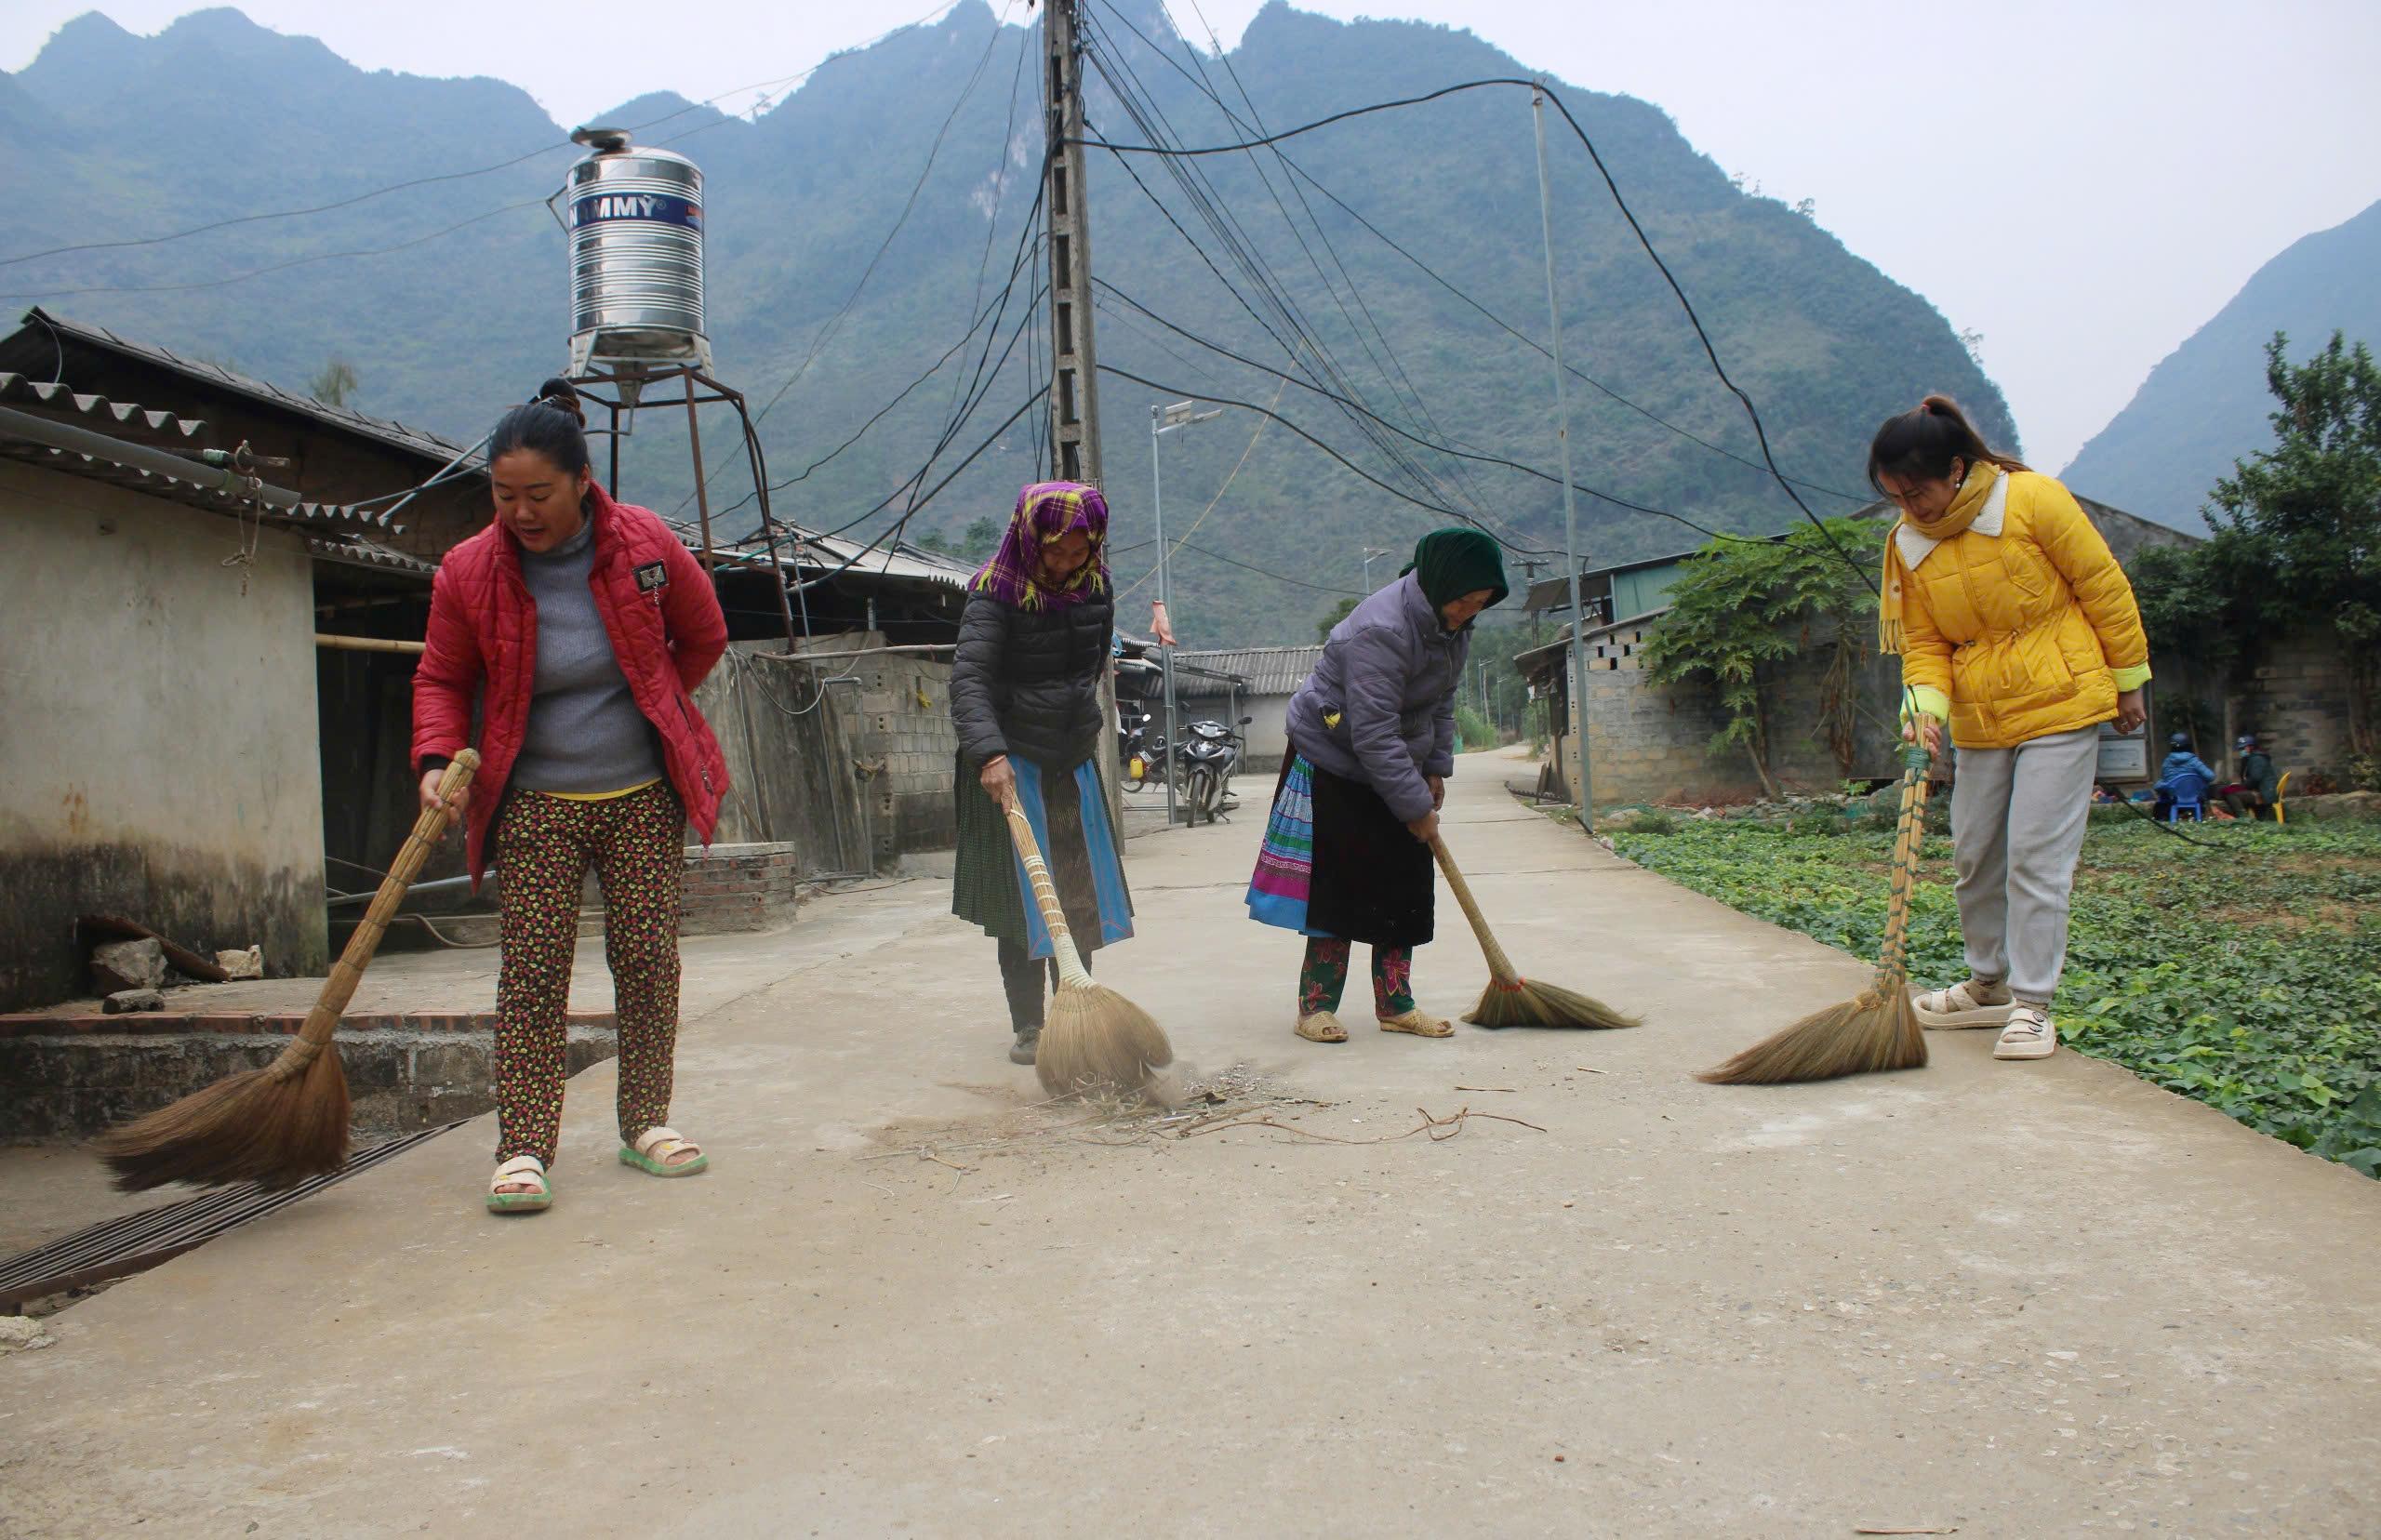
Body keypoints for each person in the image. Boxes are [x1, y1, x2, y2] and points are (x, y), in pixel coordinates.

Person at [413, 379, 729, 1213]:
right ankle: (522, 1148)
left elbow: (703, 635)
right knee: (533, 972)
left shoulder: (646, 544)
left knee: (648, 963)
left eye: (539, 494)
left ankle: (647, 1123)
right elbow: (443, 676)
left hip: (640, 796)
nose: (521, 511)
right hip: (536, 804)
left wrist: (657, 698)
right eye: (504, 494)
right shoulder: (469, 571)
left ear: (583, 480)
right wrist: (436, 759)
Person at [1877, 397, 2151, 1062]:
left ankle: (2033, 1005)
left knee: (2035, 857)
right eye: (1895, 496)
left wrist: (2129, 677)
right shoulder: (1908, 544)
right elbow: (1924, 644)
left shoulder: (2033, 501)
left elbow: (2102, 587)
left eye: (1919, 492)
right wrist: (1925, 712)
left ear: (1957, 469)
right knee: (1973, 854)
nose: (1910, 507)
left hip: (2061, 700)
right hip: (1982, 717)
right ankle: (1987, 985)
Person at [1245, 527, 1508, 1043]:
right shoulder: (1381, 630)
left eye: (1479, 605)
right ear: (1438, 585)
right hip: (1334, 755)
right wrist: (1413, 805)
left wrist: (1434, 771)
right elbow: (1371, 731)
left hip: (1392, 755)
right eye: (1462, 602)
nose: (1467, 614)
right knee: (1339, 887)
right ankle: (1315, 1007)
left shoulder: (1453, 626)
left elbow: (1442, 702)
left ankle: (1396, 1005)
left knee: (1405, 886)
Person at [949, 482, 1135, 1066]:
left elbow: (1091, 666)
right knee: (1022, 900)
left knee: (1076, 893)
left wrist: (1083, 727)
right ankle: (1029, 1026)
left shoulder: (1096, 587)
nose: (1065, 564)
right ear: (1031, 539)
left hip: (1069, 755)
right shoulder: (994, 592)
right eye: (1055, 551)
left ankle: (1074, 1007)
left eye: (1079, 553)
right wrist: (990, 755)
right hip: (1010, 758)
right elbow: (970, 679)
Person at [2150, 733, 2218, 819]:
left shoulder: (2167, 762)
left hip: (2173, 798)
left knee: (2160, 786)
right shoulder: (2194, 761)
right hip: (2195, 798)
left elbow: (2165, 779)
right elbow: (2210, 776)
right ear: (2188, 746)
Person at [2218, 734, 2280, 819]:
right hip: (2258, 791)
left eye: (2243, 748)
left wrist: (2241, 787)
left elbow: (2255, 778)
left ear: (2251, 747)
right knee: (2230, 790)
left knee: (2231, 794)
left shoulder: (2257, 759)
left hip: (2264, 793)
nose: (2241, 751)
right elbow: (2246, 776)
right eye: (2240, 749)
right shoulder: (2250, 758)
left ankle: (2244, 819)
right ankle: (2248, 818)